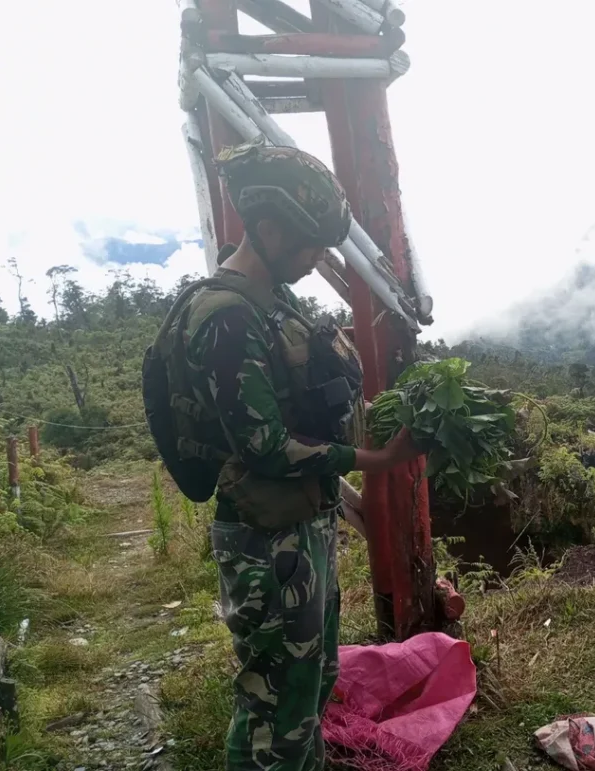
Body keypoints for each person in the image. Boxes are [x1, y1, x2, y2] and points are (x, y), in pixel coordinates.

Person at [178, 138, 419, 770]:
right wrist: (378, 460)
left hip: (299, 529)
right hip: (266, 540)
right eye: (310, 243)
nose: (317, 259)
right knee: (276, 705)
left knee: (307, 686)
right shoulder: (228, 316)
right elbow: (265, 445)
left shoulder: (270, 305)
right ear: (267, 227)